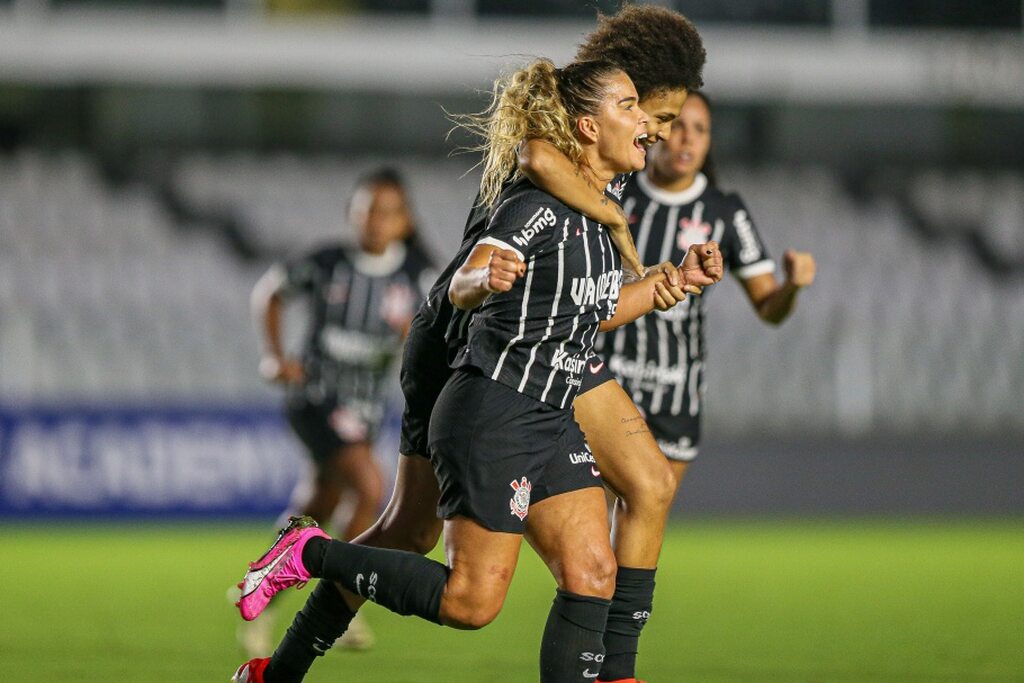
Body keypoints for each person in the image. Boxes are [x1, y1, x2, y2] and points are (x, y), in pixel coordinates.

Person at [235, 7, 715, 683]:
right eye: (654, 114)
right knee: (437, 555)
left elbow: (592, 303)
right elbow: (525, 175)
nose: (662, 133)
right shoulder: (548, 174)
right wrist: (591, 228)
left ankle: (277, 669)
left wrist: (665, 280)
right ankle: (303, 574)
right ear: (600, 109)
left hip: (538, 366)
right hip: (470, 355)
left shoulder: (604, 177)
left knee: (594, 551)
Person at [244, 168, 433, 654]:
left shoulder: (417, 275)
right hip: (315, 397)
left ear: (404, 219)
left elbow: (435, 330)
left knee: (319, 504)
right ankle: (341, 605)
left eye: (387, 212)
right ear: (352, 213)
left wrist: (417, 340)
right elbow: (270, 292)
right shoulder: (328, 262)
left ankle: (260, 595)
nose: (375, 221)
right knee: (370, 487)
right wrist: (274, 355)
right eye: (367, 209)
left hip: (365, 408)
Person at [596, 89, 817, 489]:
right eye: (678, 125)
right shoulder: (617, 190)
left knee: (647, 511)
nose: (688, 138)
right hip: (607, 378)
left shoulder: (724, 212)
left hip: (674, 390)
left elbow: (769, 307)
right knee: (598, 521)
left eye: (701, 129)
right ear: (656, 129)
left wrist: (793, 287)